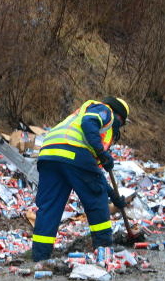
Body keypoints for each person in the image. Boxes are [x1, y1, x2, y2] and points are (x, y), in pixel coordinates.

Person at [31, 97, 130, 262]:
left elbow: (93, 176)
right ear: (119, 116)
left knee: (49, 207)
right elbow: (89, 123)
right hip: (73, 151)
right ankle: (104, 250)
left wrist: (113, 195)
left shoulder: (75, 120)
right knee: (96, 201)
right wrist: (102, 152)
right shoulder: (105, 110)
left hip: (49, 154)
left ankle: (40, 257)